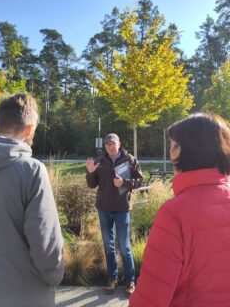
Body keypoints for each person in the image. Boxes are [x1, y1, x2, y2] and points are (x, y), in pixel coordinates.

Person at [129, 112, 230, 307]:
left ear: (191, 151)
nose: (170, 152)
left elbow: (149, 298)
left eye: (175, 145)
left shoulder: (174, 214)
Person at [0, 93, 65, 307]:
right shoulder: (32, 171)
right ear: (30, 129)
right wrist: (54, 276)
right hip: (26, 294)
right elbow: (46, 242)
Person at [86, 133, 143, 297]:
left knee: (124, 246)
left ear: (119, 144)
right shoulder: (99, 161)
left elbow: (140, 180)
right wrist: (90, 173)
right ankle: (112, 279)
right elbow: (92, 184)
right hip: (104, 209)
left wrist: (124, 183)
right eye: (107, 144)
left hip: (122, 208)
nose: (110, 146)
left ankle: (130, 280)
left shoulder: (130, 160)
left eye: (113, 143)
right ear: (105, 147)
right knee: (108, 245)